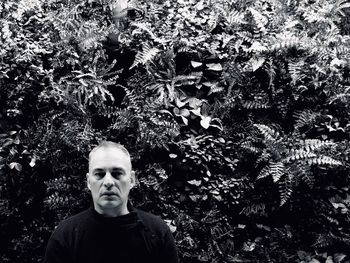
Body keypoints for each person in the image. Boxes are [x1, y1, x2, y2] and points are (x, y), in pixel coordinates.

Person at [44, 141, 179, 263]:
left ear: (132, 180)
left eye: (117, 173)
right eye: (99, 174)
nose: (108, 182)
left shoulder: (158, 233)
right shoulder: (66, 236)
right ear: (89, 181)